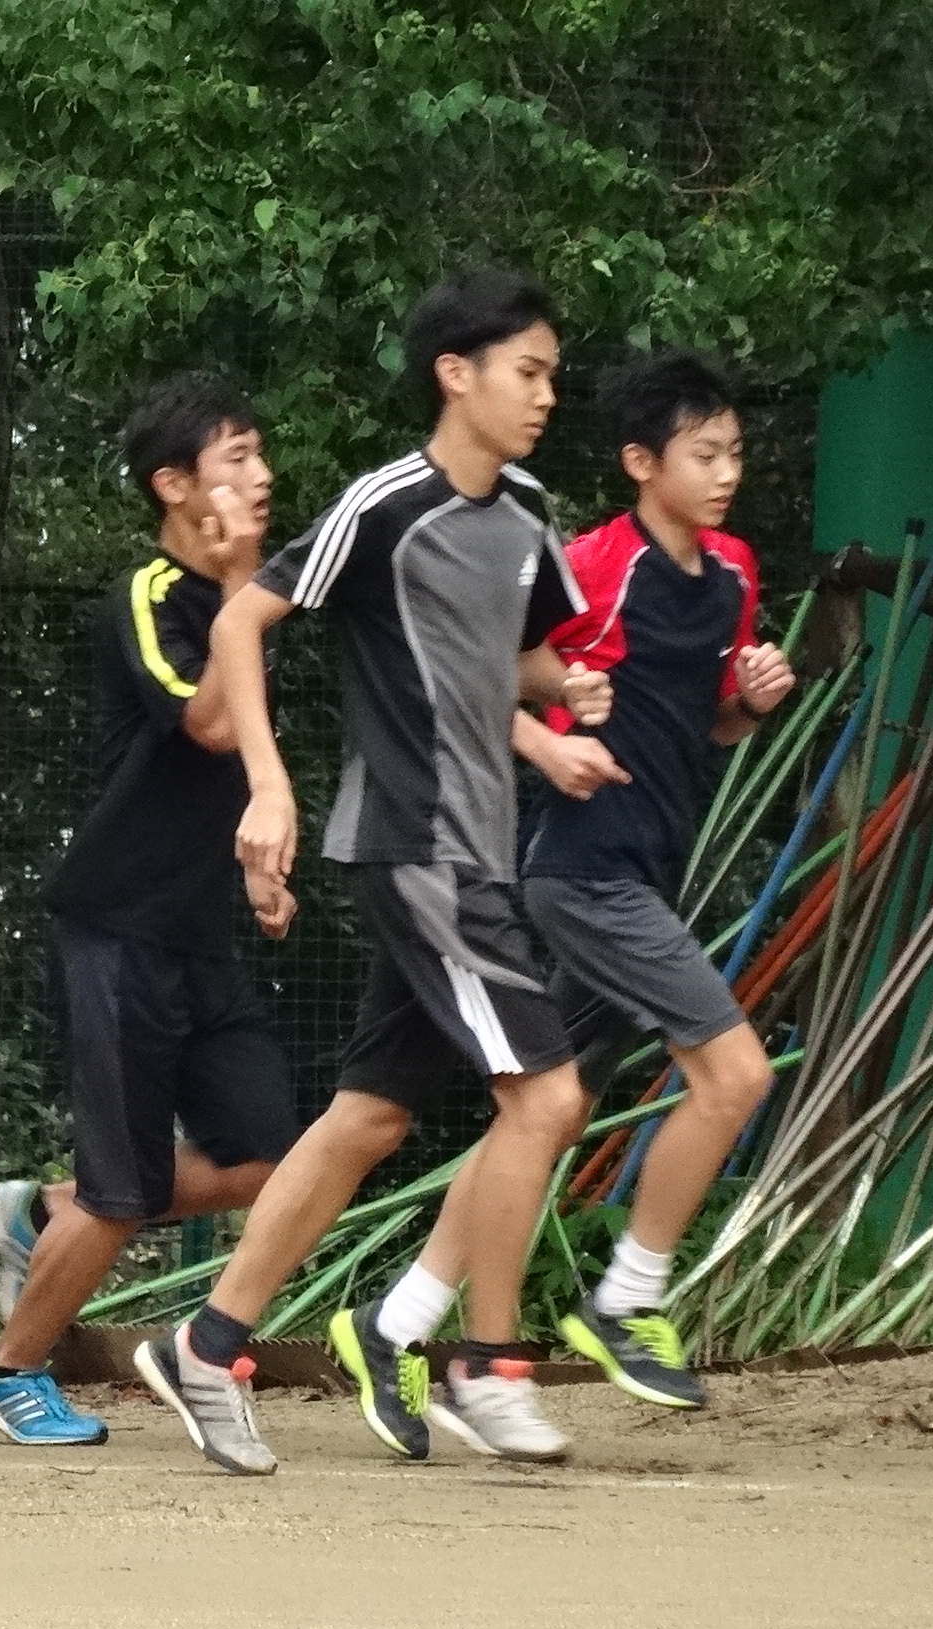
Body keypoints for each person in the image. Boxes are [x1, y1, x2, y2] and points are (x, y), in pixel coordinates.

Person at [129, 267, 612, 1474]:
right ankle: (491, 1367)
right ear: (458, 375)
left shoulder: (529, 513)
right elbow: (242, 620)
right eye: (529, 372)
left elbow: (504, 664)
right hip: (414, 844)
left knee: (370, 1117)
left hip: (474, 848)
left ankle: (208, 1338)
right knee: (545, 1100)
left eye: (553, 374)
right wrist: (272, 786)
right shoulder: (383, 505)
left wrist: (562, 710)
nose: (547, 394)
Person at [391, 349, 791, 1418]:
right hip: (583, 873)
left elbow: (710, 724)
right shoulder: (592, 567)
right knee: (737, 1077)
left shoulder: (736, 572)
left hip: (647, 876)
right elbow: (470, 671)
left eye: (735, 453)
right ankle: (625, 1300)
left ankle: (398, 1323)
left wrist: (752, 700)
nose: (725, 472)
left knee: (541, 1117)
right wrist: (545, 744)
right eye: (703, 454)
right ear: (639, 462)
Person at [0, 375, 297, 1447]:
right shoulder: (154, 596)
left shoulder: (242, 602)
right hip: (114, 926)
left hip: (199, 930)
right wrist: (247, 585)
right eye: (236, 457)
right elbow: (206, 721)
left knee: (269, 1156)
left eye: (258, 457)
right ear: (174, 483)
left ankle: (37, 1212)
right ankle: (5, 1375)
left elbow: (242, 754)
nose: (260, 477)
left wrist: (258, 861)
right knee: (122, 1192)